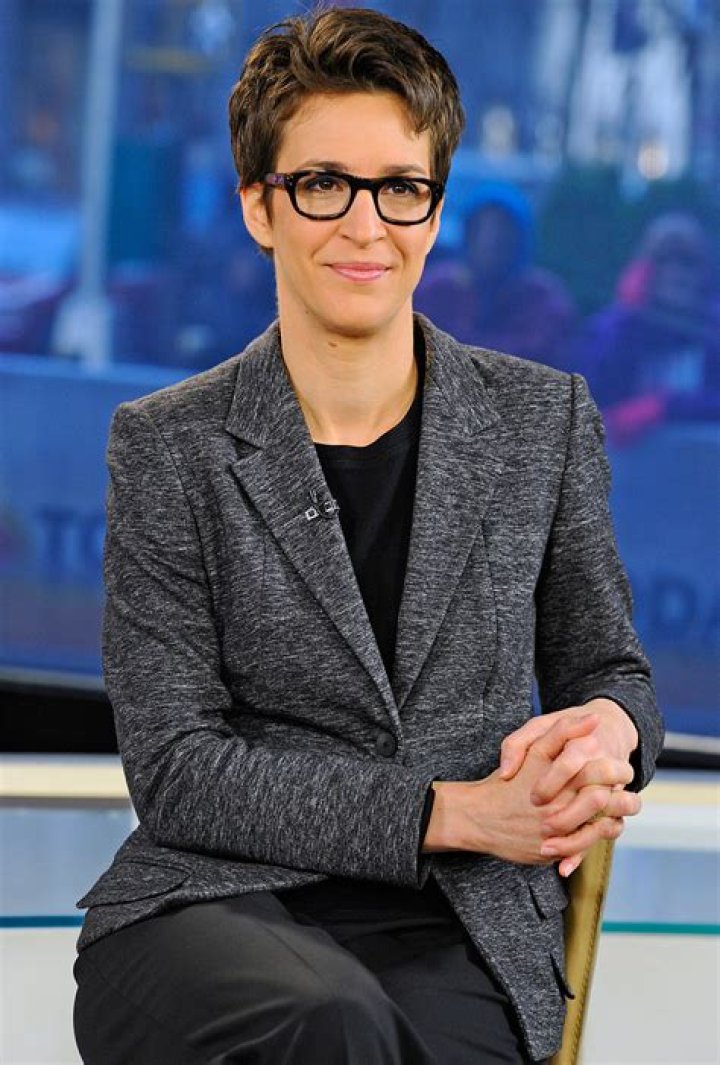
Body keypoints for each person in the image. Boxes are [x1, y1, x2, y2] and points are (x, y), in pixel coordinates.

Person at [72, 8, 663, 1064]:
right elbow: (178, 769)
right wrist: (453, 811)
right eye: (322, 184)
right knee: (327, 1021)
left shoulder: (544, 420)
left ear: (434, 210)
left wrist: (610, 730)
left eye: (399, 187)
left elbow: (610, 670)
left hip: (459, 921)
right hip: (214, 901)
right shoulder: (168, 445)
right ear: (259, 206)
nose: (365, 224)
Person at [571, 211, 720, 445]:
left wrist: (663, 407)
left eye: (687, 263)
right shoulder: (614, 329)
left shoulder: (713, 331)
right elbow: (590, 393)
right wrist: (627, 317)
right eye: (663, 262)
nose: (676, 274)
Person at [415, 183, 576, 369]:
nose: (491, 241)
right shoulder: (437, 290)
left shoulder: (544, 300)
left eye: (502, 230)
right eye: (483, 230)